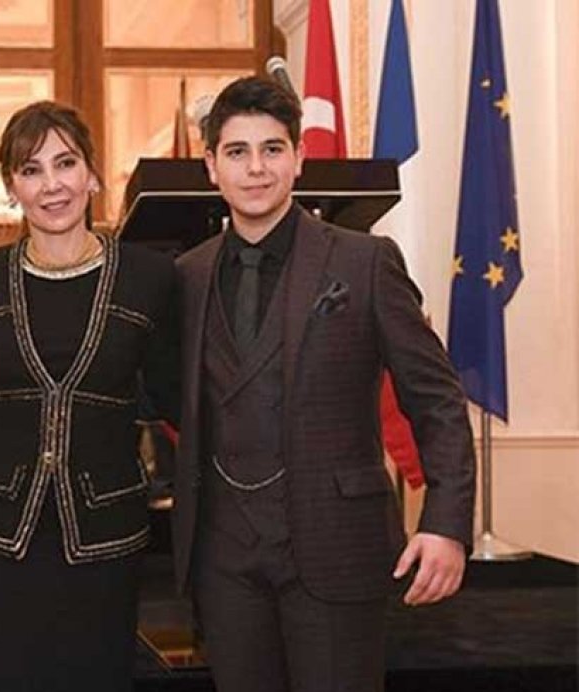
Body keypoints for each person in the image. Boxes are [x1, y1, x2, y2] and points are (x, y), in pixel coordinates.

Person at [170, 75, 476, 692]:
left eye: (272, 149)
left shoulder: (365, 262)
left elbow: (437, 399)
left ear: (299, 157)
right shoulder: (186, 275)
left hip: (337, 545)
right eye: (237, 152)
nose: (256, 168)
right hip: (223, 559)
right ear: (211, 166)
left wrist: (445, 522)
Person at [0, 100, 180, 692]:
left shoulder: (151, 278)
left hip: (105, 534)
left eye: (66, 163)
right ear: (11, 188)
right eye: (31, 170)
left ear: (93, 174)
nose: (52, 184)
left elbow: (170, 397)